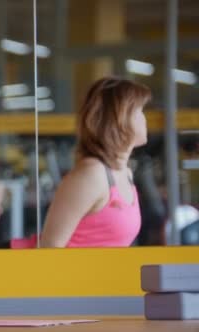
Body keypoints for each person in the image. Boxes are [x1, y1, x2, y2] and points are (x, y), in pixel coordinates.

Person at [39, 76, 151, 248]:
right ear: (120, 118)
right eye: (139, 111)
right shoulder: (93, 175)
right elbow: (50, 247)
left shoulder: (125, 173)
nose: (145, 119)